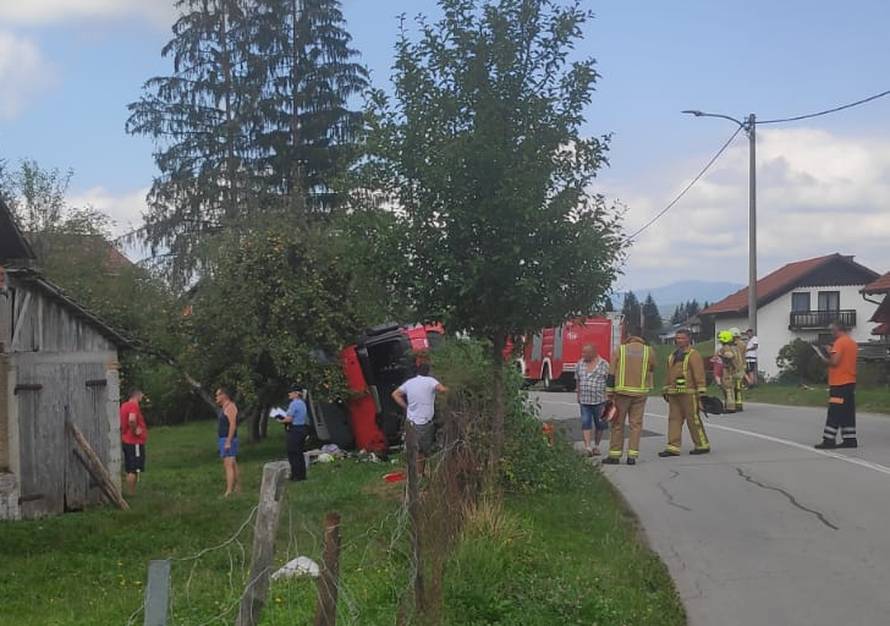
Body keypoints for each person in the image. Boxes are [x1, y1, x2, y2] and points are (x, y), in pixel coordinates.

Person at [659, 329, 711, 457]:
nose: (679, 340)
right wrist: (666, 389)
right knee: (674, 420)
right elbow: (669, 374)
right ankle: (673, 447)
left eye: (682, 338)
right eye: (677, 338)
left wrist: (701, 393)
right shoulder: (672, 356)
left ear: (688, 339)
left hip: (689, 392)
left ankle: (702, 445)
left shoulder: (693, 354)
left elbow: (699, 374)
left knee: (693, 419)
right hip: (674, 393)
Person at [603, 335, 654, 465]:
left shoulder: (620, 350)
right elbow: (652, 368)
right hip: (640, 393)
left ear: (628, 340)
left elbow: (612, 372)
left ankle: (614, 455)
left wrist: (609, 392)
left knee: (617, 424)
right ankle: (632, 456)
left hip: (622, 393)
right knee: (635, 425)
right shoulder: (649, 351)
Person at [391, 362, 448, 475]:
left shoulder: (409, 383)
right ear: (428, 371)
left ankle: (418, 474)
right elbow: (443, 390)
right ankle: (424, 474)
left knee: (416, 449)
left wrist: (406, 406)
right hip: (424, 422)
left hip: (411, 421)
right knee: (425, 450)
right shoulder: (430, 381)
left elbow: (395, 394)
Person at [815, 321, 859, 449]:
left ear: (838, 329)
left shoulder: (839, 343)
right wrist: (831, 351)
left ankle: (829, 440)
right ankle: (850, 439)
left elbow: (835, 362)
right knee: (847, 411)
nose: (831, 333)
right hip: (850, 381)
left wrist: (824, 357)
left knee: (834, 411)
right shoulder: (852, 343)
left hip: (839, 382)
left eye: (832, 330)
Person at [575, 343, 610, 456]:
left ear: (593, 353)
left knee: (600, 424)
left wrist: (608, 397)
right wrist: (578, 394)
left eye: (585, 353)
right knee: (585, 422)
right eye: (583, 352)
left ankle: (596, 446)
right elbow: (578, 380)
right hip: (584, 400)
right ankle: (588, 447)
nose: (583, 355)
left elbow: (608, 381)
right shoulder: (580, 364)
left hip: (600, 400)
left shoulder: (604, 364)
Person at [119, 389, 148, 497]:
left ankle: (130, 492)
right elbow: (131, 420)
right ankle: (131, 494)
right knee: (134, 469)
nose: (142, 398)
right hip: (134, 442)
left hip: (126, 440)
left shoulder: (124, 406)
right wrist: (135, 430)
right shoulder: (133, 405)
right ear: (137, 395)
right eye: (141, 396)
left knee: (129, 467)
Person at [215, 387, 240, 497]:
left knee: (228, 465)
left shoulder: (230, 407)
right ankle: (237, 488)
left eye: (217, 395)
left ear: (224, 395)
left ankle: (229, 491)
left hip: (228, 439)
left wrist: (228, 441)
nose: (216, 397)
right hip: (223, 438)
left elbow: (232, 425)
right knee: (233, 464)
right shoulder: (224, 408)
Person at [283, 385, 308, 481]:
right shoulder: (302, 403)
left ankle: (295, 475)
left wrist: (281, 420)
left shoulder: (294, 404)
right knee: (299, 452)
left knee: (293, 452)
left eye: (291, 392)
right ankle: (302, 474)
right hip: (302, 428)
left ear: (297, 393)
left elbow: (289, 418)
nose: (289, 394)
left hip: (295, 429)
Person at [716, 330, 741, 413]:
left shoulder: (726, 348)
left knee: (728, 389)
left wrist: (722, 356)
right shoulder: (730, 347)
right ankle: (729, 406)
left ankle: (730, 408)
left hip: (727, 370)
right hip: (728, 370)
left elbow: (729, 356)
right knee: (728, 389)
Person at [731, 328, 746, 411]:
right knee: (739, 386)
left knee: (732, 386)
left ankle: (733, 403)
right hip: (742, 365)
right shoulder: (743, 344)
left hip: (734, 366)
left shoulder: (733, 346)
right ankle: (739, 403)